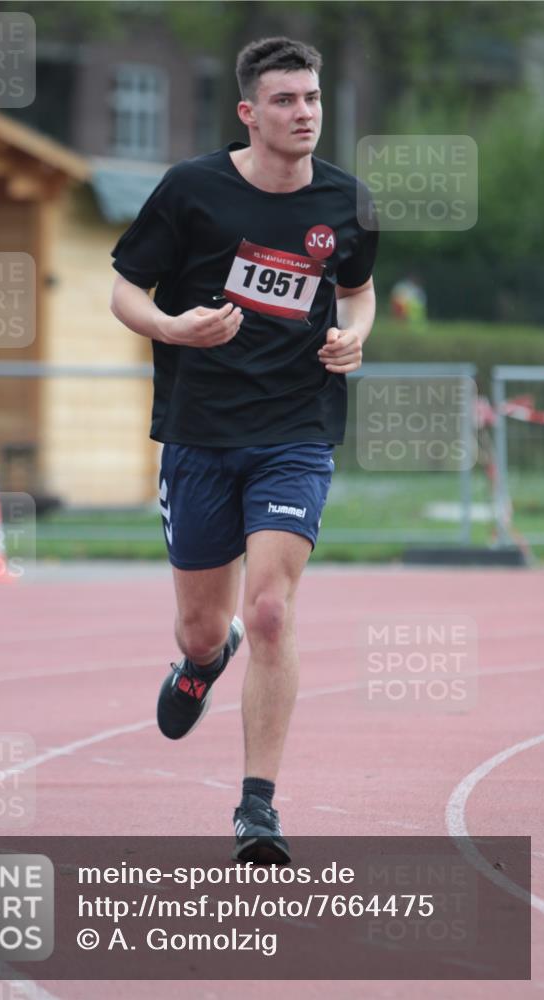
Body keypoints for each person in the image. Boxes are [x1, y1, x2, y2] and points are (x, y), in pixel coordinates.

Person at [110, 36, 378, 864]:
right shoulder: (190, 189)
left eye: (312, 99)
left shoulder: (346, 201)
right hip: (198, 434)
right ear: (248, 112)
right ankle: (204, 658)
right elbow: (124, 286)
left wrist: (353, 339)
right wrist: (170, 327)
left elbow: (355, 291)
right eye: (286, 101)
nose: (304, 114)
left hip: (294, 431)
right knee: (204, 626)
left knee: (269, 608)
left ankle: (256, 808)